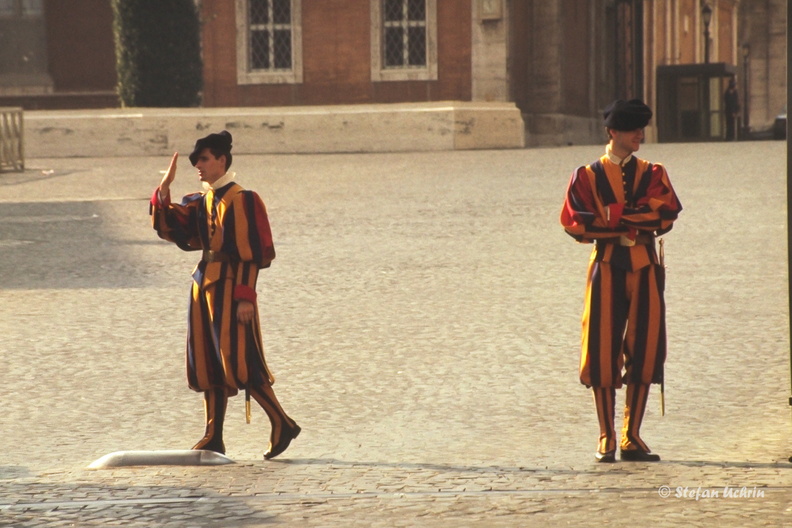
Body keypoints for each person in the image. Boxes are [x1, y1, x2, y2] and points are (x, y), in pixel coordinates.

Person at [150, 130, 300, 460]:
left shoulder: (242, 199)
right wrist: (163, 191)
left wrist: (246, 296)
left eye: (204, 159)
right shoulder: (202, 200)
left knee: (240, 358)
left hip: (231, 287)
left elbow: (252, 252)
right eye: (196, 161)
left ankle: (282, 422)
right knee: (207, 360)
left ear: (221, 160)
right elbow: (173, 227)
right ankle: (213, 435)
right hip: (204, 284)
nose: (198, 166)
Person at [560, 100, 682, 463]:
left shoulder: (654, 172)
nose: (639, 135)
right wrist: (631, 218)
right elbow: (576, 222)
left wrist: (613, 217)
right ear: (613, 132)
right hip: (607, 266)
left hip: (645, 267)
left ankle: (632, 435)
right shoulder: (586, 176)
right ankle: (606, 436)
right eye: (632, 129)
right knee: (601, 347)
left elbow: (665, 213)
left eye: (641, 129)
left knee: (646, 347)